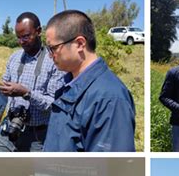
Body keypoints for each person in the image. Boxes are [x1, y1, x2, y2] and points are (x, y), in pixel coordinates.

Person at [43, 10, 136, 152]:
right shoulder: (70, 85)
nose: (50, 56)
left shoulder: (109, 99)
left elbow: (109, 168)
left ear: (80, 44)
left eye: (53, 48)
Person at [0, 12, 66, 152]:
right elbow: (6, 87)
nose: (22, 41)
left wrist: (26, 93)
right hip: (10, 126)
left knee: (29, 173)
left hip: (37, 136)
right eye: (19, 37)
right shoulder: (14, 58)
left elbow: (54, 105)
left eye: (26, 36)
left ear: (39, 31)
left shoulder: (54, 61)